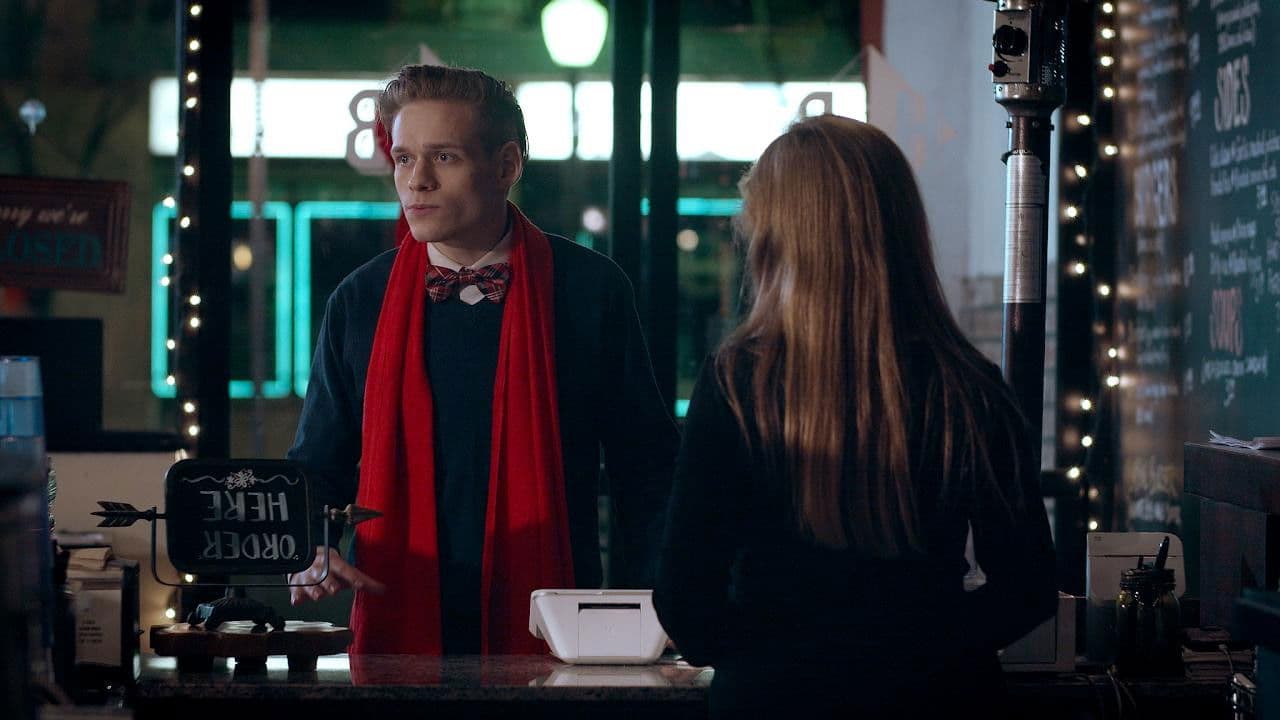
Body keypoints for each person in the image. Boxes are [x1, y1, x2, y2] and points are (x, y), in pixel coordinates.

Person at [653, 115, 1057, 717]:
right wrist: (924, 650)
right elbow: (1028, 589)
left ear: (778, 238)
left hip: (773, 702)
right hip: (939, 700)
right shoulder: (968, 385)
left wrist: (771, 660)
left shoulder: (738, 384)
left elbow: (685, 600)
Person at [287, 64, 678, 655]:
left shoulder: (589, 289)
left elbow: (645, 467)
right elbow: (318, 464)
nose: (416, 181)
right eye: (403, 158)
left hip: (556, 624)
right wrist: (310, 548)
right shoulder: (359, 299)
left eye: (443, 157)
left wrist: (648, 610)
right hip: (397, 622)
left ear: (506, 166)